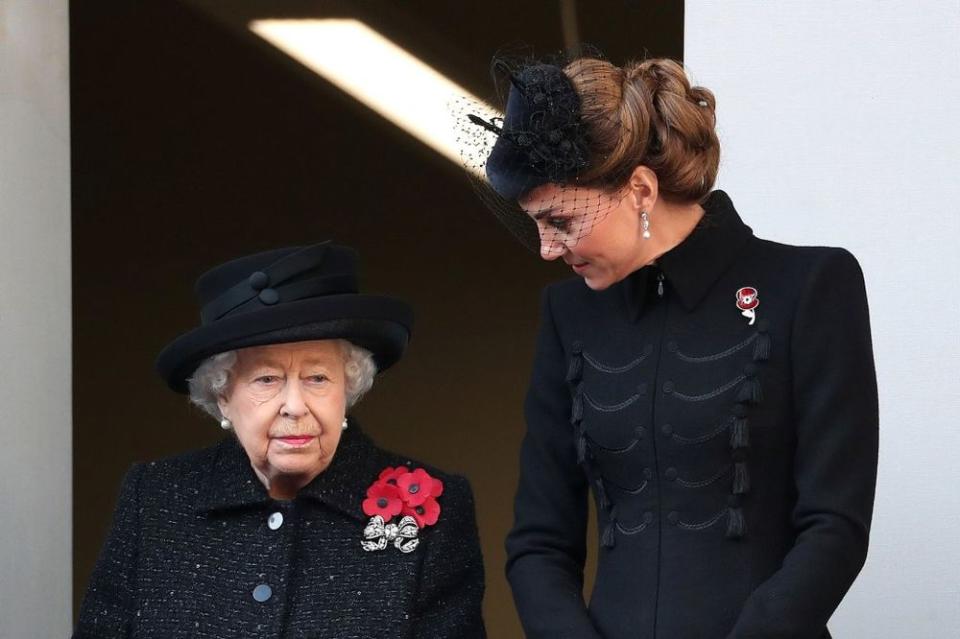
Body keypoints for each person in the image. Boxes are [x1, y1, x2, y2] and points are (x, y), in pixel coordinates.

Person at [465, 55, 878, 638]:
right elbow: (538, 544)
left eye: (560, 219)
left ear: (640, 188)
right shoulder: (569, 315)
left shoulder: (810, 286)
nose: (547, 249)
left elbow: (835, 525)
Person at [73, 242, 486, 638]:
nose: (295, 406)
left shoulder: (435, 507)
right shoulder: (156, 497)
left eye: (317, 378)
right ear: (223, 396)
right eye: (267, 379)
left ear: (348, 387)